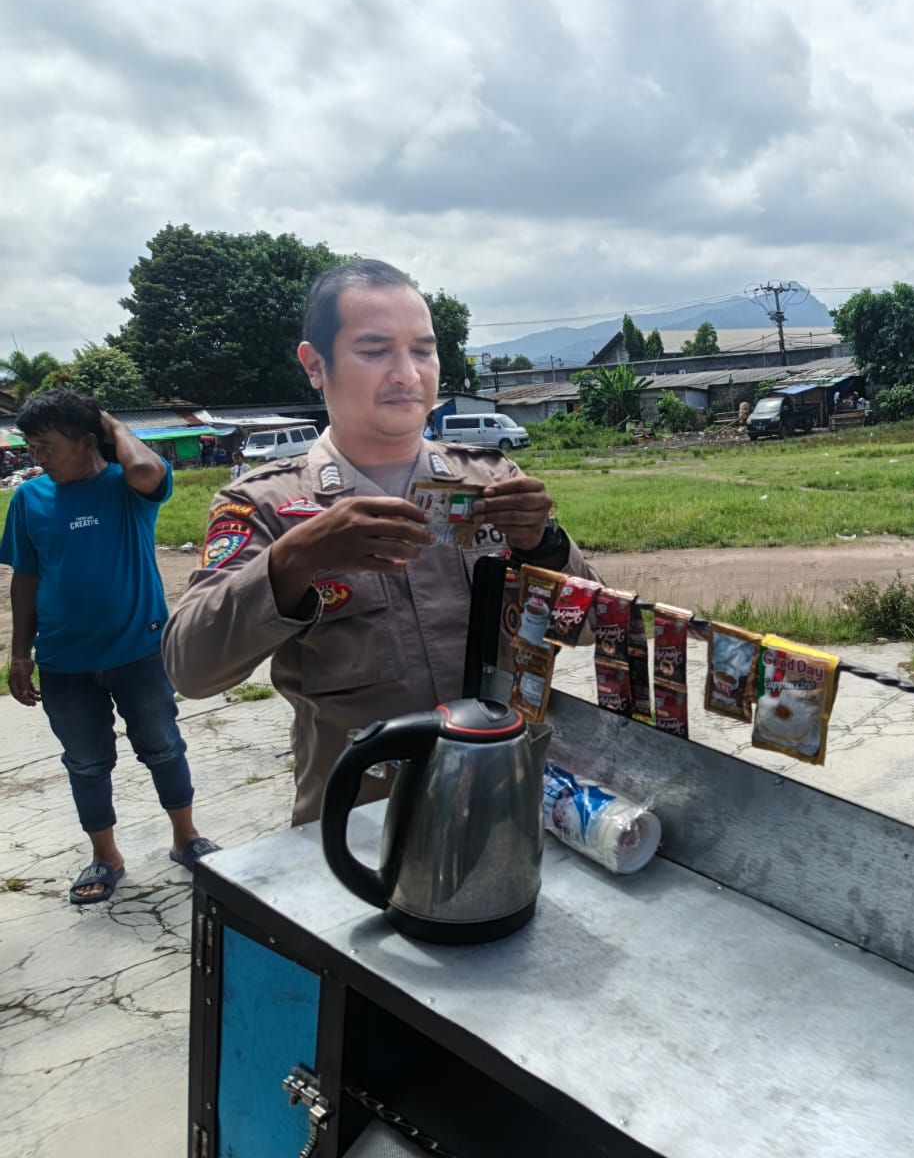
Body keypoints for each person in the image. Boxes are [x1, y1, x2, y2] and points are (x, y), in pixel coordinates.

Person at [163, 259, 601, 825]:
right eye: (375, 350)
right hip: (361, 825)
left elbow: (591, 628)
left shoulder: (492, 480)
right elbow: (191, 671)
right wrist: (294, 559)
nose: (407, 374)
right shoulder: (266, 504)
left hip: (507, 801)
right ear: (315, 365)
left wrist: (544, 545)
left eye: (423, 350)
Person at [2, 390, 217, 905]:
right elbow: (25, 579)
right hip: (64, 662)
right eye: (32, 446)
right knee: (85, 763)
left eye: (48, 445)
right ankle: (107, 857)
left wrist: (110, 423)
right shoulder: (30, 499)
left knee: (163, 747)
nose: (38, 456)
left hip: (139, 651)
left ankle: (186, 839)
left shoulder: (126, 485)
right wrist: (19, 653)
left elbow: (147, 468)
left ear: (85, 439)